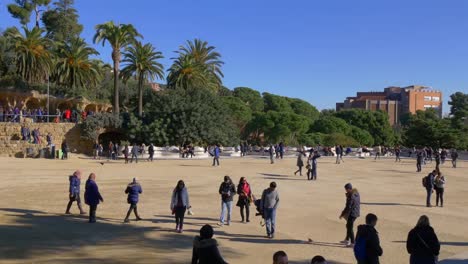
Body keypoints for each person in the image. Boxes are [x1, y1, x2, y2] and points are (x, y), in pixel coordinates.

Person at [339, 183, 360, 247]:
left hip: (352, 213)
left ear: (348, 189)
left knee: (349, 227)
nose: (345, 190)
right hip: (356, 212)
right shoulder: (356, 193)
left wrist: (342, 214)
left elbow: (348, 207)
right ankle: (347, 239)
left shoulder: (351, 195)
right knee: (348, 225)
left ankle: (353, 243)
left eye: (346, 189)